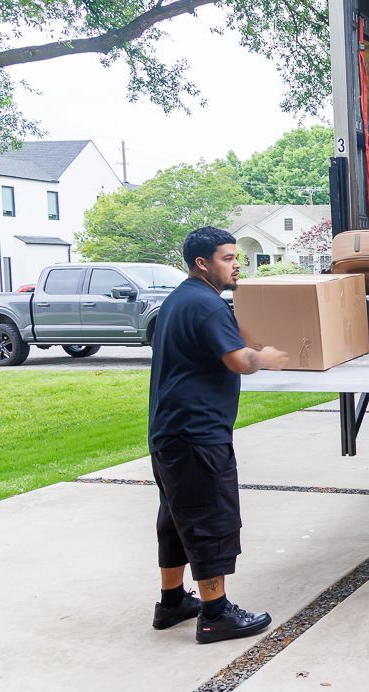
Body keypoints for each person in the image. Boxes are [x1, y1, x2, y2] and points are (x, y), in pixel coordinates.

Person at [149, 226, 289, 643]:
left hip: (169, 431)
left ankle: (172, 601)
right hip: (197, 434)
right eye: (228, 258)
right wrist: (264, 357)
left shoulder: (181, 299)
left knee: (175, 518)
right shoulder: (206, 306)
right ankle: (215, 613)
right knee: (210, 518)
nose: (236, 264)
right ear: (202, 263)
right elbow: (239, 360)